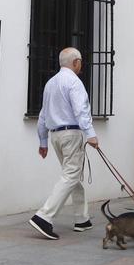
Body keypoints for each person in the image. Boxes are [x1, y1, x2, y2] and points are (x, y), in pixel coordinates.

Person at [28, 47, 98, 240]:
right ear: (75, 62)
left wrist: (43, 141)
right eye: (81, 61)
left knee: (72, 175)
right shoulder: (74, 82)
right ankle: (44, 217)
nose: (81, 64)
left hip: (55, 136)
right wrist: (90, 134)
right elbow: (81, 111)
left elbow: (43, 114)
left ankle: (82, 219)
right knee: (71, 175)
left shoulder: (51, 83)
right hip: (71, 134)